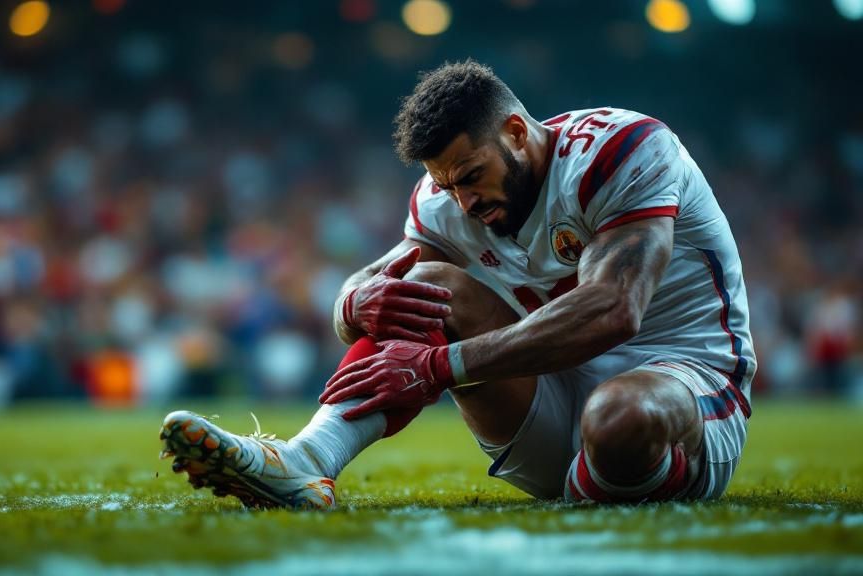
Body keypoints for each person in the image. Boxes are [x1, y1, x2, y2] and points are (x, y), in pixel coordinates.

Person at [159, 61, 755, 508]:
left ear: (516, 132)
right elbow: (371, 288)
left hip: (683, 386)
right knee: (420, 285)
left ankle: (608, 481)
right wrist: (355, 301)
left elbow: (613, 309)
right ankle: (307, 459)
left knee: (619, 418)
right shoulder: (448, 197)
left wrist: (438, 367)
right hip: (547, 402)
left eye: (472, 176)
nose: (464, 202)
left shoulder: (620, 151)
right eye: (448, 185)